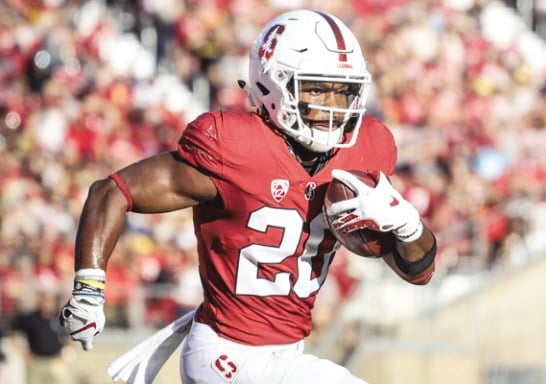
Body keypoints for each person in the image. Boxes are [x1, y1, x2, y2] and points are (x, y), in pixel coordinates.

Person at [57, 9, 436, 384]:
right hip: (224, 352)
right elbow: (112, 191)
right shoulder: (234, 147)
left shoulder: (367, 150)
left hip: (288, 354)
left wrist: (408, 225)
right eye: (317, 88)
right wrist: (89, 291)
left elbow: (418, 271)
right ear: (273, 84)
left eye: (343, 92)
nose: (332, 107)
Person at [10, 288, 73, 384]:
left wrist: (66, 351)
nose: (48, 304)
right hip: (36, 362)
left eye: (51, 301)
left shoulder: (60, 318)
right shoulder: (31, 318)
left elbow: (70, 335)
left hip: (55, 362)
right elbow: (13, 333)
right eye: (46, 301)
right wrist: (23, 352)